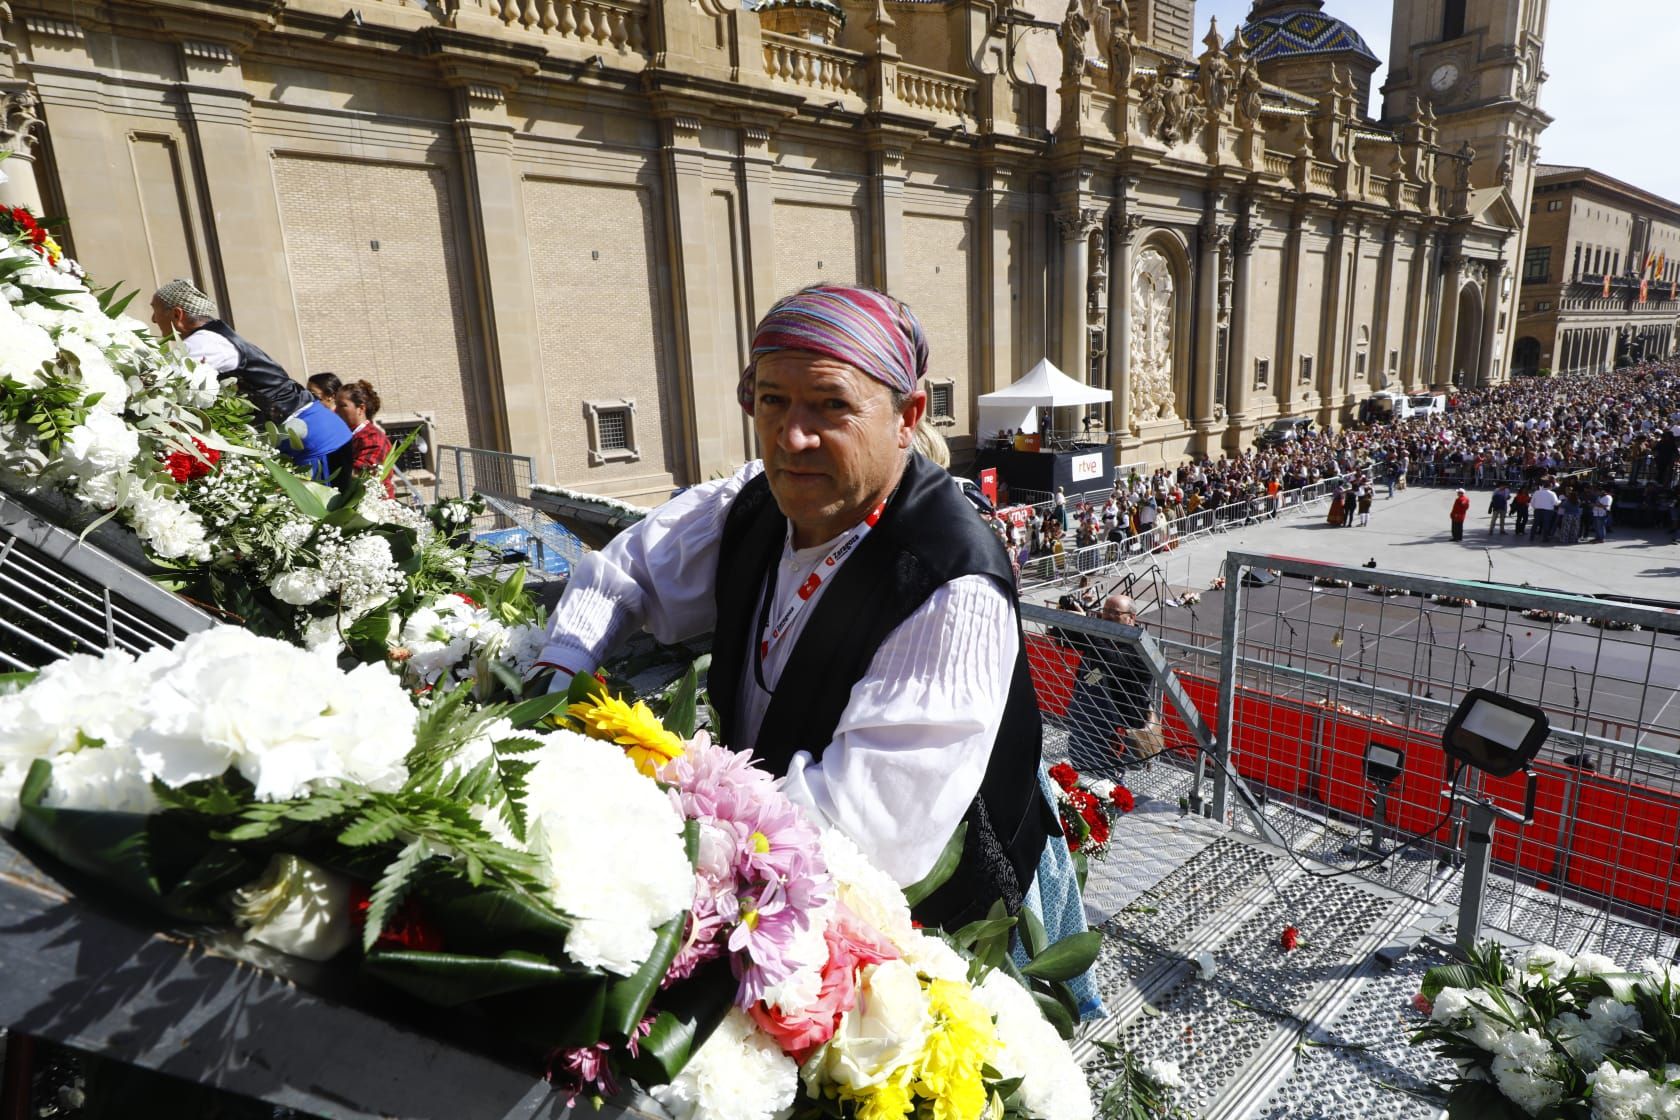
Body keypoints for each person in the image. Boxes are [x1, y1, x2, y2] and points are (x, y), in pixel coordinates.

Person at [535, 284, 1054, 929]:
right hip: (759, 858)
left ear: (907, 416)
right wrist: (551, 686)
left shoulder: (949, 583)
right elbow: (623, 571)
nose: (792, 437)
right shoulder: (751, 504)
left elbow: (866, 836)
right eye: (773, 401)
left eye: (832, 406)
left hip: (911, 917)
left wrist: (648, 830)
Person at [151, 279, 353, 484]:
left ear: (177, 315)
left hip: (315, 441)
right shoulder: (213, 336)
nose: (152, 319)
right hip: (316, 433)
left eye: (155, 311)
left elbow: (164, 387)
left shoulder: (204, 342)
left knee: (323, 511)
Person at [1056, 594, 1159, 772]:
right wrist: (1066, 616)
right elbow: (1061, 637)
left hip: (1118, 731)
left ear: (1131, 618)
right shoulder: (1101, 635)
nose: (1107, 616)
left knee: (1112, 784)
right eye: (1105, 611)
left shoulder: (1139, 647)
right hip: (1086, 720)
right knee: (1080, 772)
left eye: (1114, 613)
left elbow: (1110, 660)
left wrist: (1089, 624)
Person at [335, 380, 397, 499]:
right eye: (336, 404)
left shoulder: (372, 438)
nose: (336, 410)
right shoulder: (349, 435)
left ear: (360, 408)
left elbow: (360, 476)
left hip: (374, 508)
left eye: (342, 405)